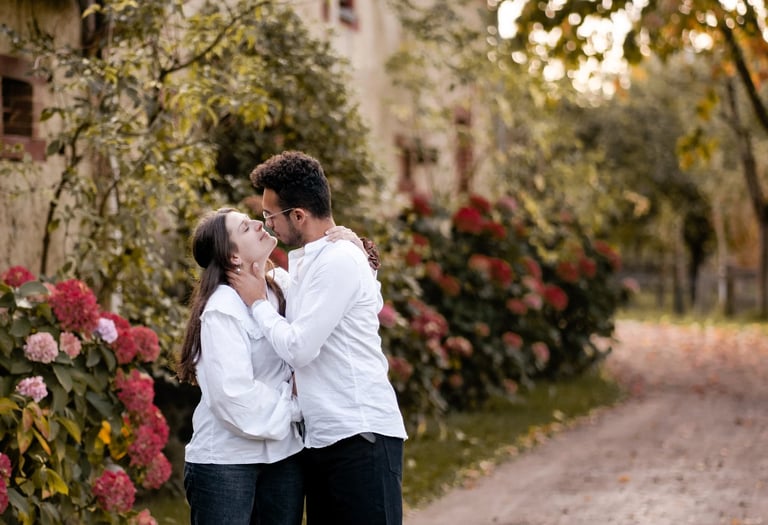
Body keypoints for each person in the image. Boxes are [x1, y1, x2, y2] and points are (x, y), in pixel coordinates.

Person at [228, 151, 408, 525]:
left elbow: (299, 348)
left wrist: (258, 302)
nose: (267, 226)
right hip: (325, 439)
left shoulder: (338, 259)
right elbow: (364, 300)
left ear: (298, 215)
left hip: (361, 437)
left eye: (269, 216)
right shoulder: (314, 260)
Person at [177, 207, 364, 525]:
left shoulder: (282, 286)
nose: (256, 223)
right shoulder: (223, 309)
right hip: (226, 463)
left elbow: (338, 298)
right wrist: (294, 405)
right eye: (244, 228)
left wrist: (354, 249)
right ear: (233, 257)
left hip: (284, 458)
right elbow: (233, 396)